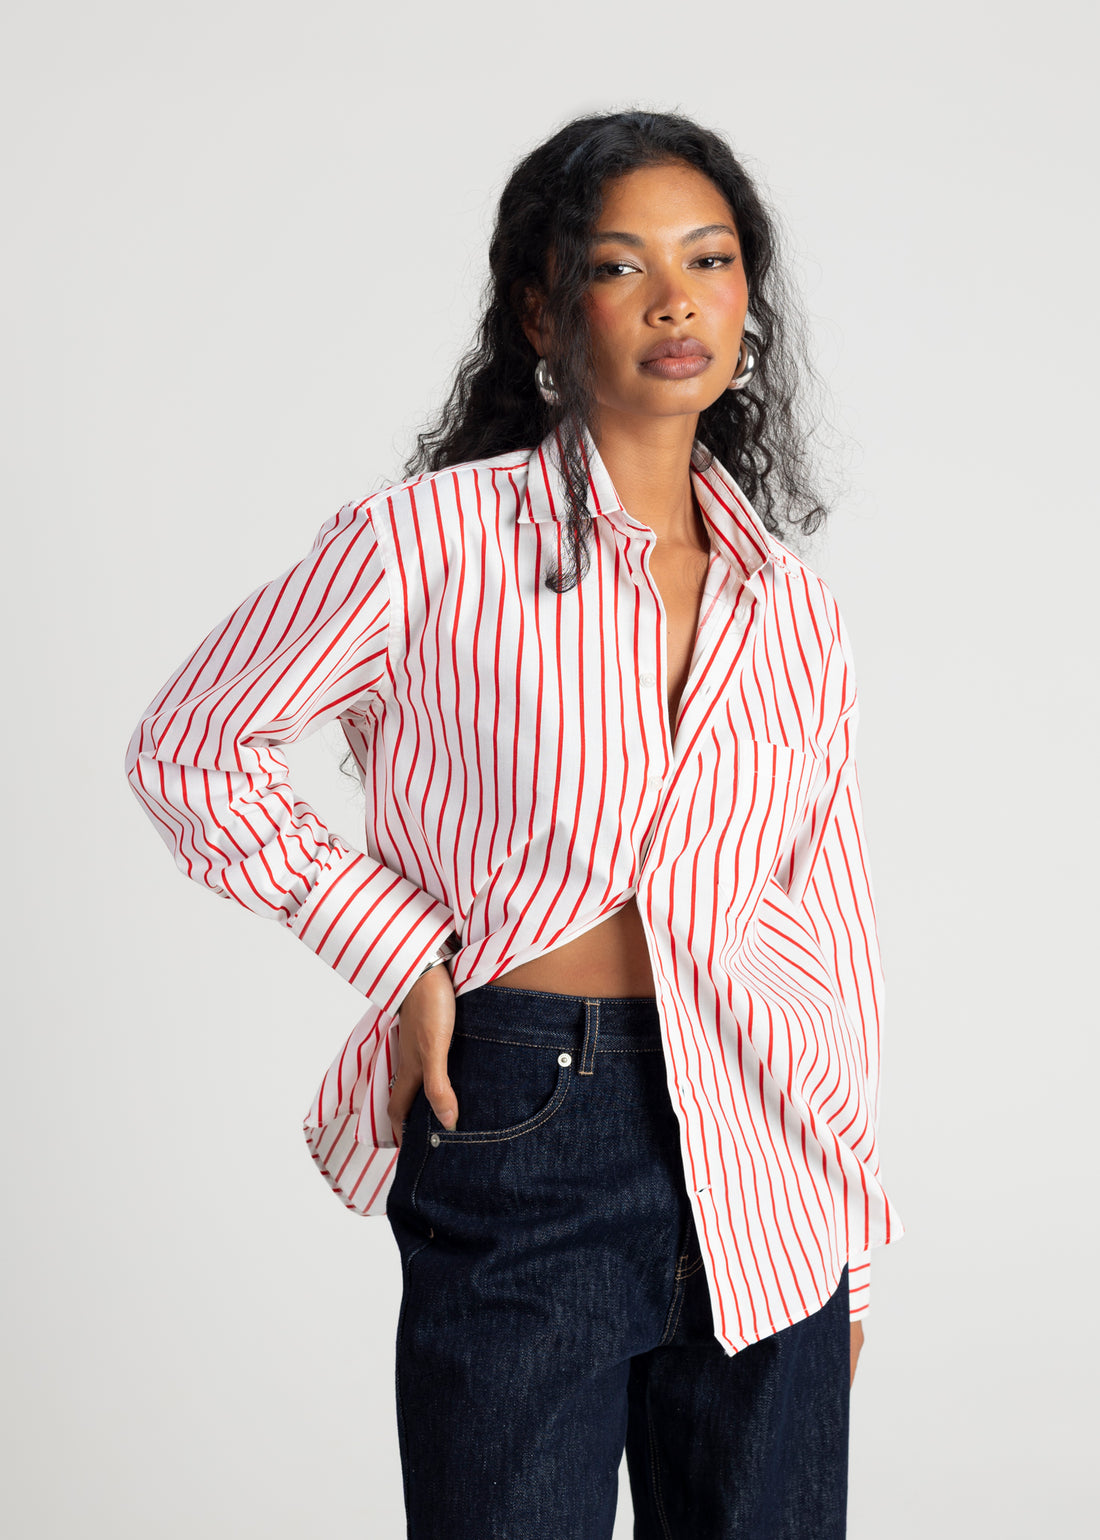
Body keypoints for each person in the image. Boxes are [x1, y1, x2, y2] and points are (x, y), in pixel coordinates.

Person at [125, 109, 902, 1539]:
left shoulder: (792, 607)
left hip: (771, 1159)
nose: (674, 301)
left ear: (747, 300)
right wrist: (399, 951)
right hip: (527, 1111)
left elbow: (826, 927)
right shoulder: (426, 543)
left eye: (710, 260)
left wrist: (853, 1246)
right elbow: (192, 746)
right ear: (543, 310)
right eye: (619, 265)